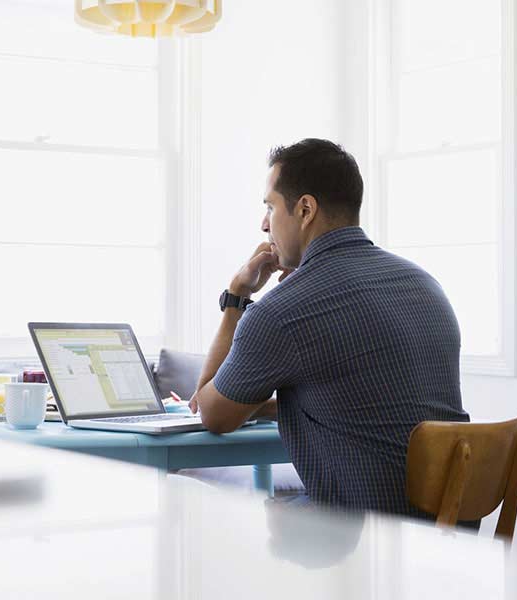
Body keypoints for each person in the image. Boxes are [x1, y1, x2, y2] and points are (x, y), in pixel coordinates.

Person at [189, 138, 470, 517]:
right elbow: (370, 405)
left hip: (361, 541)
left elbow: (211, 412)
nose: (263, 224)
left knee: (209, 515)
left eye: (270, 207)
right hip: (446, 535)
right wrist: (277, 406)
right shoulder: (424, 284)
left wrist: (237, 297)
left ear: (305, 209)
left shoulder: (282, 312)